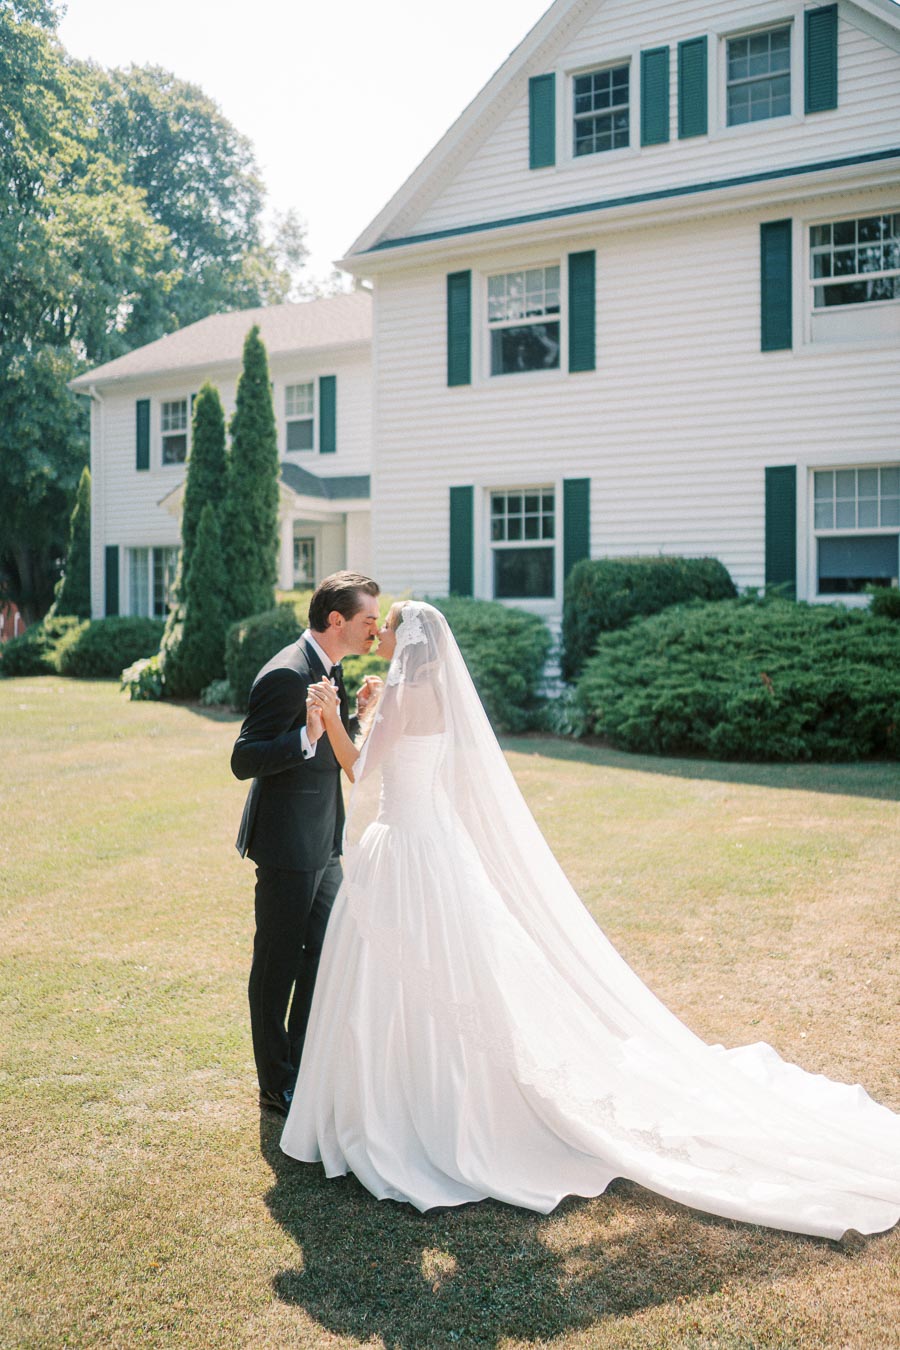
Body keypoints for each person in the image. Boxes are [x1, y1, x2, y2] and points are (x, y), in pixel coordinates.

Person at [279, 600, 900, 1239]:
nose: (378, 635)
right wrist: (367, 711)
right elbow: (410, 760)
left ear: (407, 642)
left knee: (400, 980)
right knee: (453, 973)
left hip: (404, 848)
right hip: (435, 846)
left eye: (388, 629)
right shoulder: (432, 691)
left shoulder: (405, 696)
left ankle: (405, 1113)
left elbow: (359, 768)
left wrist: (330, 717)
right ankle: (438, 1098)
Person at [231, 571, 382, 1116]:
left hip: (325, 843)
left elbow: (338, 759)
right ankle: (275, 1083)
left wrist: (352, 718)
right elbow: (243, 759)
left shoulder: (333, 670)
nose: (374, 631)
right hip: (287, 846)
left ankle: (303, 1065)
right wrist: (306, 736)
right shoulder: (286, 674)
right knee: (277, 964)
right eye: (369, 620)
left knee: (323, 955)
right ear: (336, 620)